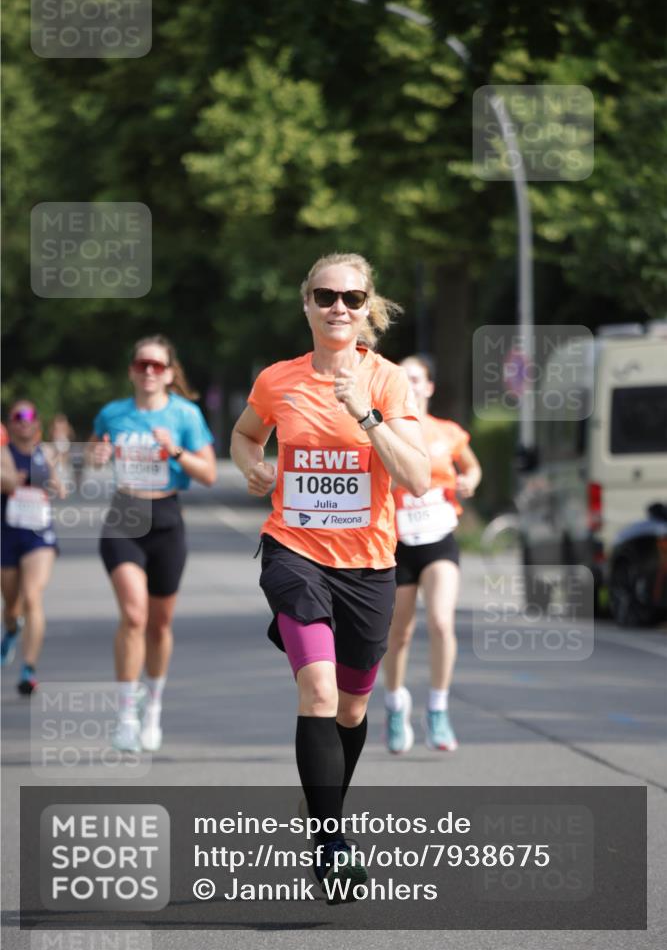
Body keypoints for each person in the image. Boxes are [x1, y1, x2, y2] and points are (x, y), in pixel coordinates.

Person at [231, 253, 430, 900]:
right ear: (306, 303)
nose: (337, 307)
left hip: (369, 564)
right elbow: (244, 433)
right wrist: (251, 465)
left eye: (350, 297)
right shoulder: (277, 380)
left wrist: (366, 417)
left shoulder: (388, 382)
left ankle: (325, 814)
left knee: (350, 707)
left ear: (367, 305)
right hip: (294, 550)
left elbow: (417, 477)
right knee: (316, 694)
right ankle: (329, 844)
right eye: (325, 295)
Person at [90, 335, 216, 753]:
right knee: (134, 614)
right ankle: (126, 714)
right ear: (131, 369)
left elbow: (209, 474)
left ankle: (154, 707)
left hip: (166, 519)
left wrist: (174, 450)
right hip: (125, 514)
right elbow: (93, 453)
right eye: (142, 363)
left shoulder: (185, 414)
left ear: (168, 372)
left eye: (157, 365)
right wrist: (97, 457)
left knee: (159, 624)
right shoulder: (113, 413)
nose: (148, 371)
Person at [382, 356, 482, 754]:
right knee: (399, 632)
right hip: (396, 541)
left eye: (416, 378)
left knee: (442, 623)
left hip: (439, 536)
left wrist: (468, 482)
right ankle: (394, 705)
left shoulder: (446, 432)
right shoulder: (385, 429)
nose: (409, 383)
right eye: (402, 377)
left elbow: (472, 468)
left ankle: (437, 711)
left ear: (429, 387)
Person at [1, 402, 63, 691]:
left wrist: (54, 485)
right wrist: (13, 480)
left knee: (32, 596)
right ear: (10, 424)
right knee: (12, 606)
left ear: (37, 423)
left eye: (29, 417)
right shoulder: (3, 453)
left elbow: (59, 486)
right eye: (17, 417)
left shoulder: (46, 452)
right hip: (7, 534)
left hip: (38, 535)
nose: (23, 422)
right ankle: (12, 629)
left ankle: (28, 669)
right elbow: (5, 480)